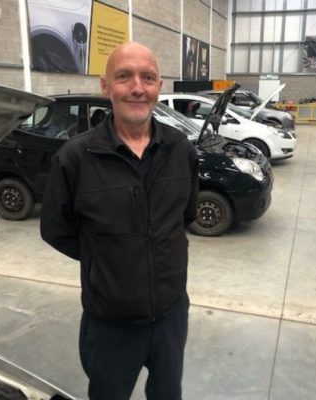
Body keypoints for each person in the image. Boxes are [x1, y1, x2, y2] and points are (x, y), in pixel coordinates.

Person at [40, 41, 199, 400]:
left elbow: (184, 216)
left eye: (148, 77)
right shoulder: (75, 158)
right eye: (124, 77)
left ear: (159, 86)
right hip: (110, 322)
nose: (137, 88)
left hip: (171, 314)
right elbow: (55, 229)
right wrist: (106, 259)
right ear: (105, 86)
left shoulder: (181, 150)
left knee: (168, 394)